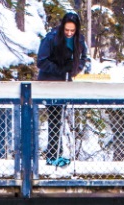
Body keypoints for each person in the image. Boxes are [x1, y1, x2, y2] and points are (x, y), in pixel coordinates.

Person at [36, 12, 89, 167]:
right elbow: (41, 61)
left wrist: (73, 70)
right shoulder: (51, 38)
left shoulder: (79, 40)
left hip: (65, 82)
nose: (69, 33)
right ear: (62, 27)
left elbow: (83, 58)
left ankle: (55, 154)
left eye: (72, 31)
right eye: (67, 30)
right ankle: (52, 155)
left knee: (58, 118)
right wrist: (60, 70)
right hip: (49, 82)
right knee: (54, 117)